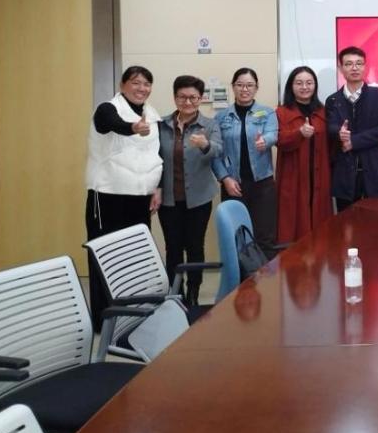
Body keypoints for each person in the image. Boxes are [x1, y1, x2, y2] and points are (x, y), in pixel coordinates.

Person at [84, 65, 163, 324]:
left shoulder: (152, 114)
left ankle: (131, 317)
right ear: (122, 85)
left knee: (135, 257)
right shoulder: (107, 109)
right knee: (106, 256)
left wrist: (156, 187)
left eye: (147, 84)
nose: (142, 88)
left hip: (139, 197)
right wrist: (133, 128)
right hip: (108, 196)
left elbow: (154, 155)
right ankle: (104, 318)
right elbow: (113, 124)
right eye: (136, 82)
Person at [157, 75, 222, 307]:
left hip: (199, 198)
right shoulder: (162, 124)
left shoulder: (209, 125)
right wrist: (156, 188)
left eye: (193, 97)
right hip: (169, 199)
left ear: (200, 99)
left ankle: (194, 292)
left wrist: (205, 144)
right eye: (182, 97)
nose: (187, 102)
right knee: (173, 247)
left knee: (195, 246)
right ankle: (177, 294)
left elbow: (218, 150)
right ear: (175, 98)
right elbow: (153, 158)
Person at [212, 68, 279, 253]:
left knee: (265, 236)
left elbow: (273, 134)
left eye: (250, 85)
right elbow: (215, 153)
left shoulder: (267, 113)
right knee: (237, 237)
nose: (245, 89)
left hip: (262, 184)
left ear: (256, 88)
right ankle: (241, 273)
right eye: (240, 85)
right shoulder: (221, 117)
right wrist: (225, 178)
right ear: (233, 87)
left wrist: (265, 141)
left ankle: (266, 272)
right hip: (233, 184)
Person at [325, 46, 378, 211]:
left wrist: (354, 142)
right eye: (348, 64)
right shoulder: (333, 100)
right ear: (341, 68)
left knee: (377, 222)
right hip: (345, 174)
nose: (354, 68)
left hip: (375, 171)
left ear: (365, 67)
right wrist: (338, 133)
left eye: (359, 63)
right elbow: (330, 126)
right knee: (346, 223)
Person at [275, 66, 332, 243]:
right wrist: (299, 133)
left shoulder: (323, 111)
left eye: (309, 83)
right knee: (293, 223)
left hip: (319, 175)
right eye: (299, 83)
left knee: (321, 224)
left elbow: (331, 144)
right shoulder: (281, 112)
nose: (304, 87)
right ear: (291, 86)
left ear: (315, 85)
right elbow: (279, 140)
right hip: (294, 177)